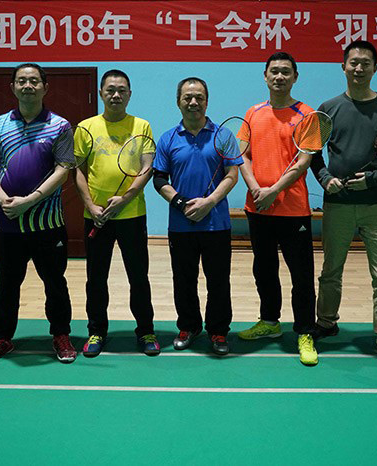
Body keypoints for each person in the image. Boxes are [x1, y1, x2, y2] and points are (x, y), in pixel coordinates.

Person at [309, 40, 377, 370]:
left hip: (376, 204)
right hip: (337, 203)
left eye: (366, 63)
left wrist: (373, 179)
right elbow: (313, 153)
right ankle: (326, 322)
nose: (359, 68)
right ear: (343, 67)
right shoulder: (329, 107)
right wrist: (325, 179)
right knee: (330, 271)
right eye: (354, 62)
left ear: (375, 68)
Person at [0, 63, 78, 366]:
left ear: (45, 87)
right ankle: (2, 337)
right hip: (8, 222)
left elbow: (63, 170)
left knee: (55, 283)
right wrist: (4, 199)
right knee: (7, 284)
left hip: (48, 222)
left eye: (34, 81)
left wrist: (30, 201)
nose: (28, 86)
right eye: (22, 81)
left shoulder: (60, 126)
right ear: (13, 87)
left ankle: (61, 335)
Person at [236, 52, 318, 366]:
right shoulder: (253, 112)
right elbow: (242, 155)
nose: (279, 77)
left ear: (295, 77)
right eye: (274, 71)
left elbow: (304, 161)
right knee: (264, 269)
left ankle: (305, 331)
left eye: (285, 72)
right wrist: (256, 188)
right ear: (265, 76)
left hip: (293, 210)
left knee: (302, 275)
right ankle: (269, 321)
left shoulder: (307, 115)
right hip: (258, 207)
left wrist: (274, 191)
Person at [152, 77, 240, 356]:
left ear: (207, 101)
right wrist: (181, 204)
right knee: (184, 280)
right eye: (187, 97)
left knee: (218, 281)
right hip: (181, 225)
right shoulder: (167, 138)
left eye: (199, 97)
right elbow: (159, 179)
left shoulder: (223, 135)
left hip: (217, 224)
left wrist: (210, 202)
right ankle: (188, 327)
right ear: (178, 102)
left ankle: (218, 330)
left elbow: (232, 174)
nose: (193, 102)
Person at [74, 70, 158, 357]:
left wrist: (125, 199)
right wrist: (90, 206)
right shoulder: (86, 127)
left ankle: (146, 331)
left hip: (132, 215)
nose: (116, 95)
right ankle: (97, 331)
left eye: (122, 90)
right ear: (101, 93)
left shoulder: (141, 125)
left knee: (139, 277)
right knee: (96, 279)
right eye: (110, 90)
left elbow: (147, 167)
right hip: (97, 217)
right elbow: (78, 170)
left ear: (129, 94)